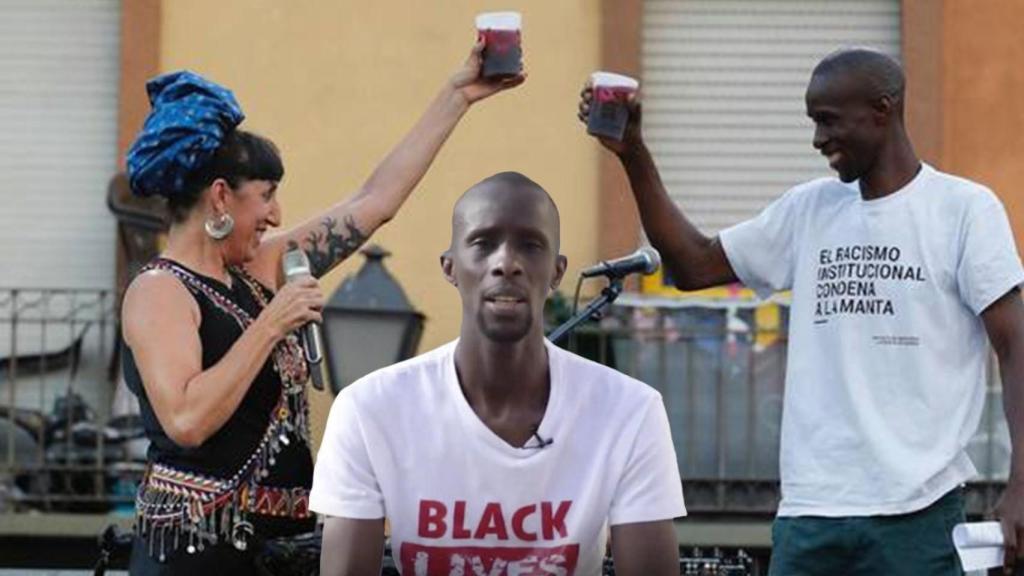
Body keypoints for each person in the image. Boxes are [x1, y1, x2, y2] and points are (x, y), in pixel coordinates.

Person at [578, 47, 1024, 575]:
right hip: (810, 516)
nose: (818, 139)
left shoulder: (963, 210)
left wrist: (1021, 485)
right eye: (814, 122)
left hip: (918, 515)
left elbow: (1015, 345)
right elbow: (692, 266)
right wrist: (633, 154)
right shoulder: (809, 209)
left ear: (882, 109)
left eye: (829, 120)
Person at [120, 42, 523, 574]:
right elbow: (186, 419)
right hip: (196, 555)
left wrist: (457, 96)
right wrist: (272, 323)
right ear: (220, 197)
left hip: (282, 547)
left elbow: (373, 202)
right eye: (266, 195)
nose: (275, 214)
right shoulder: (159, 290)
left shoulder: (259, 269)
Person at [310, 172, 687, 576]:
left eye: (530, 245)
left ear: (557, 271)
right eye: (483, 243)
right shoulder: (369, 409)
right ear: (450, 267)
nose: (506, 263)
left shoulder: (629, 411)